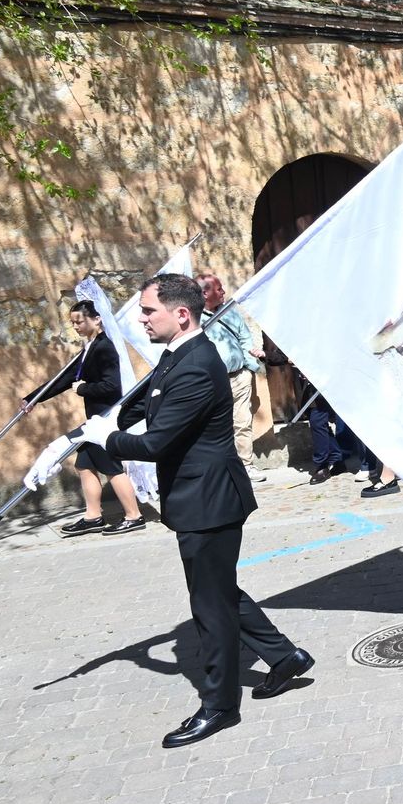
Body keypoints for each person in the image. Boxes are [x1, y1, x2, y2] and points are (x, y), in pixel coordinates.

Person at [72, 273, 312, 748]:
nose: (140, 318)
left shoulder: (198, 365)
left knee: (209, 604)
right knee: (218, 591)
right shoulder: (175, 357)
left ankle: (220, 706)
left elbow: (157, 442)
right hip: (198, 497)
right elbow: (138, 402)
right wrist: (105, 419)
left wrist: (105, 439)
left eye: (147, 311)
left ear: (181, 314)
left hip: (209, 500)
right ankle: (285, 658)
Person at [22, 300, 146, 535]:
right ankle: (93, 516)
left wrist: (83, 389)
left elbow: (111, 387)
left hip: (105, 419)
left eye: (79, 321)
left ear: (96, 319)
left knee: (110, 467)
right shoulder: (90, 348)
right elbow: (65, 378)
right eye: (73, 323)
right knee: (85, 465)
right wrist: (33, 398)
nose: (76, 326)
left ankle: (134, 516)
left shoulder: (104, 348)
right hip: (93, 421)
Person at [195, 274, 267, 483]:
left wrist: (250, 367)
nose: (223, 292)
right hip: (210, 382)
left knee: (242, 422)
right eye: (219, 289)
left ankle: (246, 465)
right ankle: (218, 470)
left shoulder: (230, 312)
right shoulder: (194, 318)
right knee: (212, 425)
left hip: (238, 377)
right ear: (205, 293)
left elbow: (244, 338)